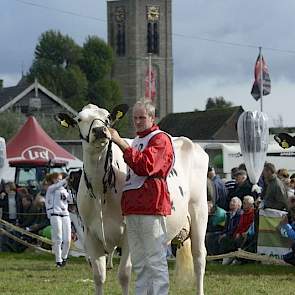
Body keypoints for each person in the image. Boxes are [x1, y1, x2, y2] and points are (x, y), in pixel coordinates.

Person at [108, 99, 174, 295]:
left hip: (151, 205)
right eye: (135, 118)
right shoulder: (137, 141)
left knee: (155, 260)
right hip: (133, 207)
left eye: (142, 117)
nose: (137, 121)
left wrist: (120, 142)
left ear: (152, 118)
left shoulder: (160, 139)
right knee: (139, 261)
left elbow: (147, 165)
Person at [45, 172, 71, 268]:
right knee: (58, 238)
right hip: (55, 214)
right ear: (53, 180)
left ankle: (64, 257)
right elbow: (58, 186)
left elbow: (70, 200)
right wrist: (66, 179)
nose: (59, 180)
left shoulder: (65, 190)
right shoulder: (51, 189)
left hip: (65, 214)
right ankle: (58, 260)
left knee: (67, 239)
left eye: (60, 178)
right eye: (57, 179)